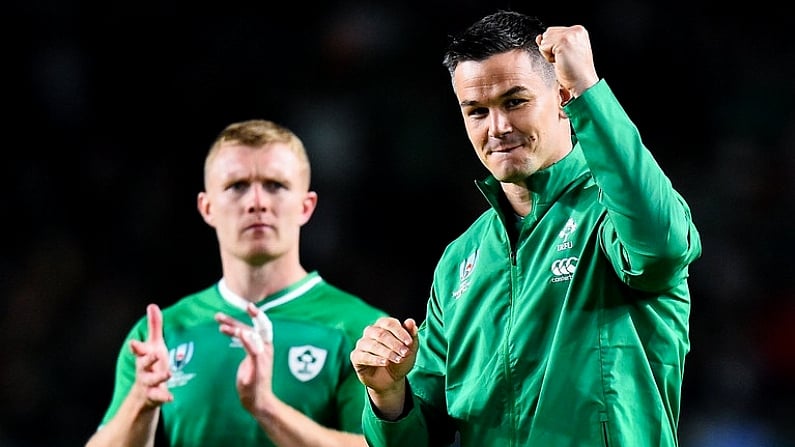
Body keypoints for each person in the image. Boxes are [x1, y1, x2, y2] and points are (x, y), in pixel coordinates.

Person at [350, 9, 702, 447]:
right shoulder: (461, 258)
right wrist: (388, 395)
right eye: (477, 111)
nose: (497, 127)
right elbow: (423, 436)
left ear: (561, 95)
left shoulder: (614, 214)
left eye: (515, 101)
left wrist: (591, 91)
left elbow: (663, 248)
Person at [86, 119, 387, 447]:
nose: (256, 201)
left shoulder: (360, 329)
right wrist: (140, 402)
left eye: (275, 185)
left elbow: (381, 445)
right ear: (207, 207)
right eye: (237, 185)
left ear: (306, 206)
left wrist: (266, 408)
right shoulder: (161, 334)